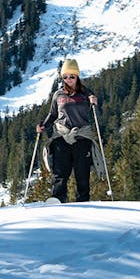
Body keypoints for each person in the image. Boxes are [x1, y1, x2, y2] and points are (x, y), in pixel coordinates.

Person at [36, 58, 99, 203]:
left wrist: (95, 104)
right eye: (65, 77)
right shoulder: (58, 95)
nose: (68, 79)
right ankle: (58, 199)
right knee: (59, 171)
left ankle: (83, 201)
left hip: (81, 136)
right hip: (61, 135)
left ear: (77, 76)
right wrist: (43, 126)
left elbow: (97, 114)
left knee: (82, 173)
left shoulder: (86, 94)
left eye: (72, 76)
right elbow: (52, 114)